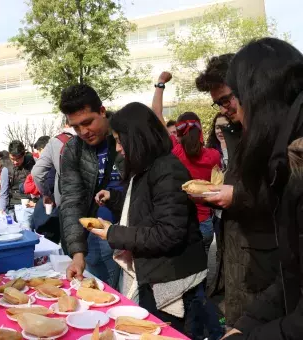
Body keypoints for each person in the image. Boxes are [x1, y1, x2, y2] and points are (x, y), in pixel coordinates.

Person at [90, 102, 222, 340]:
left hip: (174, 281)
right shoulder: (147, 169)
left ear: (138, 139)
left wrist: (114, 233)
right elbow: (145, 208)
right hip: (155, 275)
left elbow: (168, 232)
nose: (118, 148)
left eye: (121, 140)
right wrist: (115, 198)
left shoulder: (167, 170)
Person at [221, 37, 303, 340]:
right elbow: (293, 275)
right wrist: (246, 324)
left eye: (236, 102)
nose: (238, 116)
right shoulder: (286, 162)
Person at [193, 55, 279, 327]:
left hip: (267, 268)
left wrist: (235, 196)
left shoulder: (276, 132)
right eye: (217, 103)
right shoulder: (238, 133)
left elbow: (281, 191)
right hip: (239, 262)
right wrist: (219, 196)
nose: (223, 109)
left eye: (226, 100)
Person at [59, 84, 122, 289]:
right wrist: (78, 254)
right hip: (94, 238)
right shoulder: (73, 149)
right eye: (76, 126)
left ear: (102, 111)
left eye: (87, 122)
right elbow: (71, 200)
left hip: (135, 236)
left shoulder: (127, 134)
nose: (83, 132)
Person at [152, 72, 221, 255]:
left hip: (182, 222)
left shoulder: (175, 151)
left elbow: (156, 113)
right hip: (205, 224)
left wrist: (160, 83)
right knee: (203, 269)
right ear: (200, 131)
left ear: (179, 132)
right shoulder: (214, 155)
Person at [32, 118, 76, 207]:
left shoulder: (54, 142)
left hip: (64, 199)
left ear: (66, 125)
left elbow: (36, 173)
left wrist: (46, 194)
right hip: (92, 199)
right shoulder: (92, 137)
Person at [206, 113, 230, 239]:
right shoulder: (210, 150)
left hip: (232, 211)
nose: (220, 131)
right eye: (217, 127)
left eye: (225, 126)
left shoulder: (239, 148)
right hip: (216, 213)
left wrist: (226, 150)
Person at [0, 140, 35, 219]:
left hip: (32, 202)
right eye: (12, 159)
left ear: (23, 155)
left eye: (18, 159)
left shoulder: (32, 162)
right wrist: (2, 211)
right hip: (15, 204)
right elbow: (3, 192)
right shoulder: (6, 168)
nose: (15, 162)